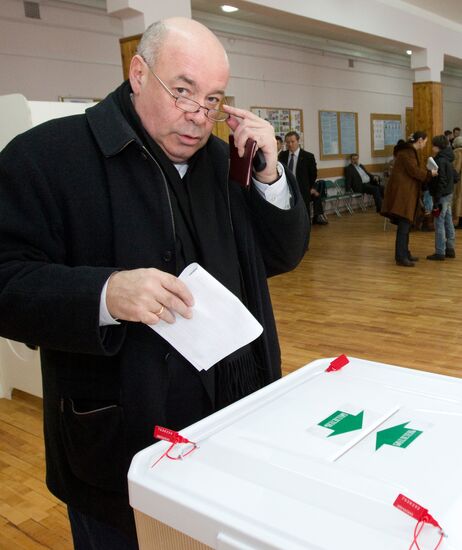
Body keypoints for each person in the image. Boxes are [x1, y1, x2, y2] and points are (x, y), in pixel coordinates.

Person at [0, 18, 309, 549]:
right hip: (118, 439)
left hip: (231, 422)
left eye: (212, 100)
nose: (197, 116)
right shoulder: (47, 157)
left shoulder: (224, 161)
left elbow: (280, 255)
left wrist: (270, 177)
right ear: (137, 73)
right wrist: (104, 293)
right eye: (183, 91)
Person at [381, 131, 435, 267]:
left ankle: (405, 253)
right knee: (404, 225)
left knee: (406, 225)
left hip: (405, 193)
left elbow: (413, 170)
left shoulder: (408, 151)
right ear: (420, 140)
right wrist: (430, 173)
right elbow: (414, 171)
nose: (425, 144)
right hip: (403, 195)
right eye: (426, 141)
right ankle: (401, 257)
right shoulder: (407, 153)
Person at [279, 131, 328, 225]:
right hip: (286, 189)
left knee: (304, 213)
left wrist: (308, 187)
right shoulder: (282, 155)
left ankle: (305, 231)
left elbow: (313, 174)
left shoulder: (308, 156)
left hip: (302, 189)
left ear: (298, 141)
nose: (290, 144)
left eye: (292, 141)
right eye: (287, 142)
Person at [427, 135, 457, 260]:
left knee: (439, 222)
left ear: (437, 147)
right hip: (449, 193)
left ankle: (440, 252)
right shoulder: (449, 158)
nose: (432, 147)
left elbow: (441, 181)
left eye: (433, 145)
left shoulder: (439, 160)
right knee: (448, 221)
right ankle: (450, 248)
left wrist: (437, 198)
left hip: (441, 195)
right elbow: (456, 177)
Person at [452, 135, 462, 228]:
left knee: (458, 199)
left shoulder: (457, 152)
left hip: (459, 181)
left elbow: (456, 168)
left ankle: (459, 221)